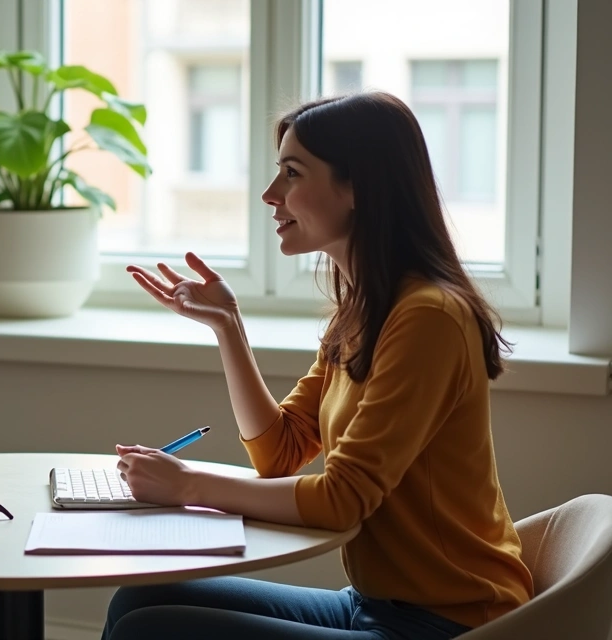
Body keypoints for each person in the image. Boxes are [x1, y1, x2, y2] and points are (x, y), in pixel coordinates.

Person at [104, 92, 533, 639]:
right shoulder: (363, 311)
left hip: (449, 620)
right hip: (373, 604)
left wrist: (189, 483)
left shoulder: (428, 317)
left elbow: (342, 498)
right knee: (139, 600)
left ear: (357, 186)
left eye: (291, 173)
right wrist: (228, 327)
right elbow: (280, 454)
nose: (269, 194)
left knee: (152, 630)